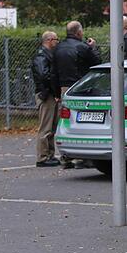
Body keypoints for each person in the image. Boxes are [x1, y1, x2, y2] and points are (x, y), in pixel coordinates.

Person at [53, 21, 101, 168]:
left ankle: (66, 155)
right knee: (87, 122)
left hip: (64, 89)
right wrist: (93, 48)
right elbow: (97, 63)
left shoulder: (58, 48)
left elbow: (53, 71)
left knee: (66, 122)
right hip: (82, 89)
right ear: (79, 33)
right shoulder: (82, 47)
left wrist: (56, 92)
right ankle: (83, 157)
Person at [32, 31, 61, 167]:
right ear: (49, 40)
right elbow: (44, 75)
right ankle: (42, 157)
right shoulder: (41, 56)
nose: (57, 42)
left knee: (52, 126)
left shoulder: (47, 55)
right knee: (45, 127)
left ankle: (50, 154)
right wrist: (52, 88)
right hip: (46, 95)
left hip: (49, 93)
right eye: (56, 39)